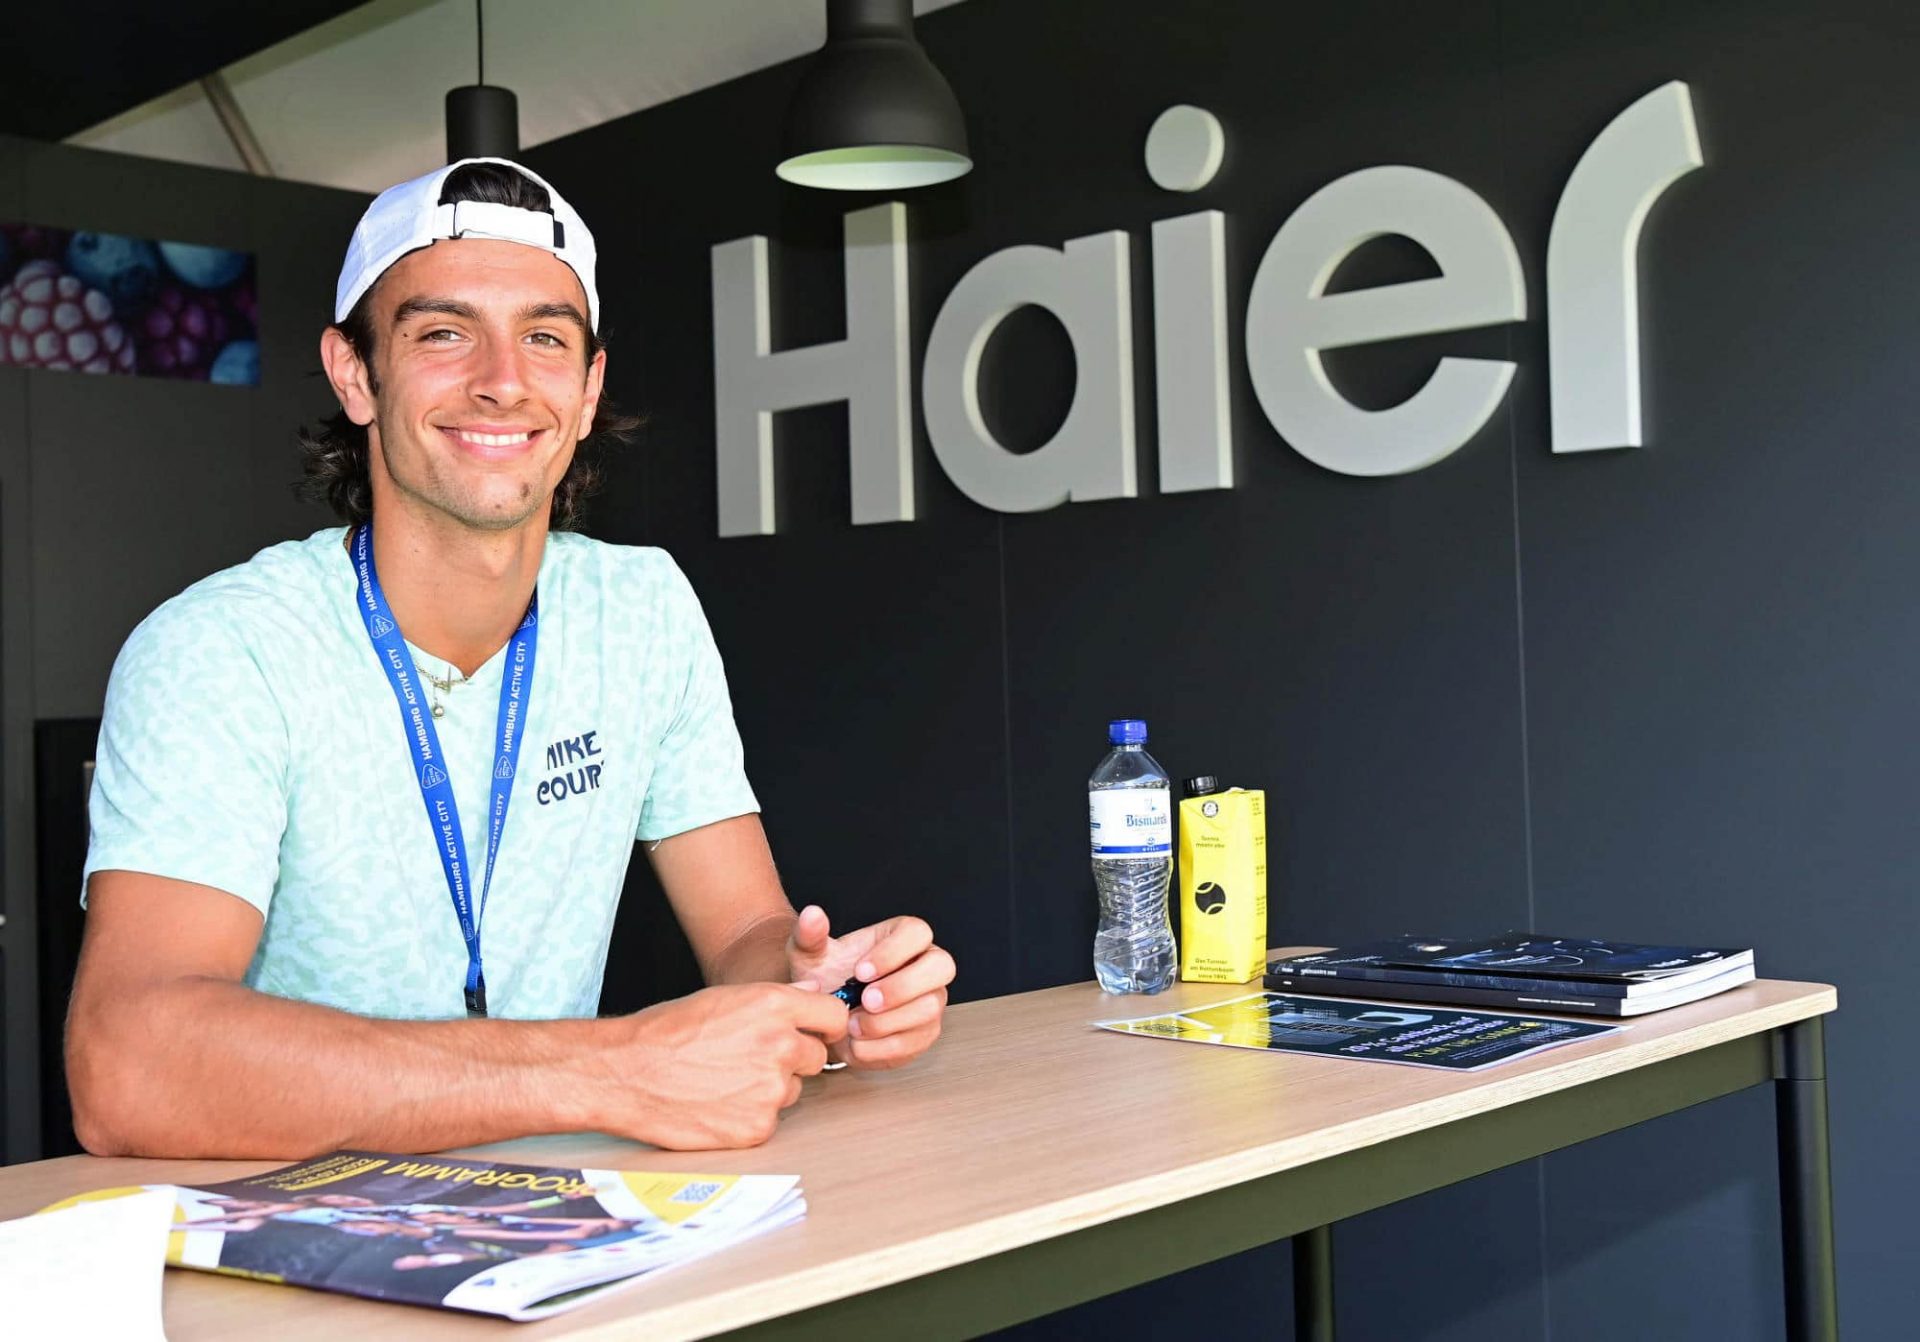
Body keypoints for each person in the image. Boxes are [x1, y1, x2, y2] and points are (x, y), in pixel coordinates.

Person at [66, 157, 954, 1160]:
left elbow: (748, 930)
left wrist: (812, 986)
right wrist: (612, 1070)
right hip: (286, 1223)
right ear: (355, 373)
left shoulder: (641, 611)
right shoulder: (221, 650)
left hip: (551, 1213)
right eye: (444, 333)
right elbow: (127, 1065)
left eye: (545, 337)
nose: (502, 380)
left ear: (589, 388)